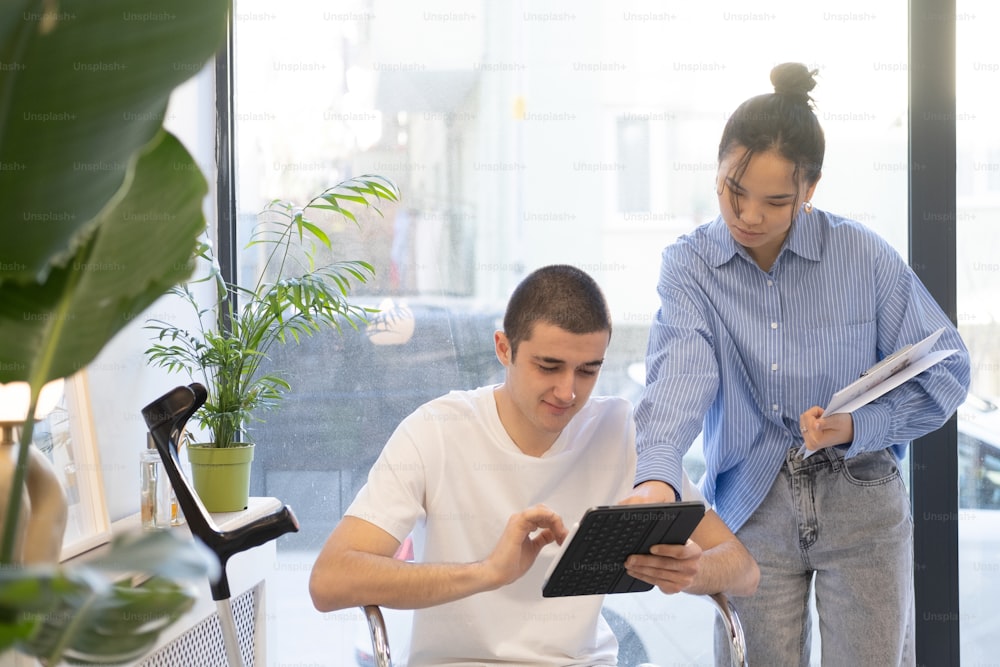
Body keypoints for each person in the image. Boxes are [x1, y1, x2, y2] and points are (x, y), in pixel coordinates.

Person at [626, 63, 971, 666]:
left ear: (809, 190)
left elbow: (948, 370)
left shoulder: (861, 256)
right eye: (734, 189)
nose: (749, 215)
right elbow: (678, 378)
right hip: (750, 507)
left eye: (776, 200)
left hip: (861, 499)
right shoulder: (689, 268)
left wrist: (859, 426)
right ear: (716, 168)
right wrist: (656, 476)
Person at [309, 264, 759, 666]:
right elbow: (330, 580)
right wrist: (486, 573)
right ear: (504, 348)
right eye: (549, 366)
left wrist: (691, 571)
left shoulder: (620, 431)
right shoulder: (436, 430)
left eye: (588, 370)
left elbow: (743, 569)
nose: (568, 392)